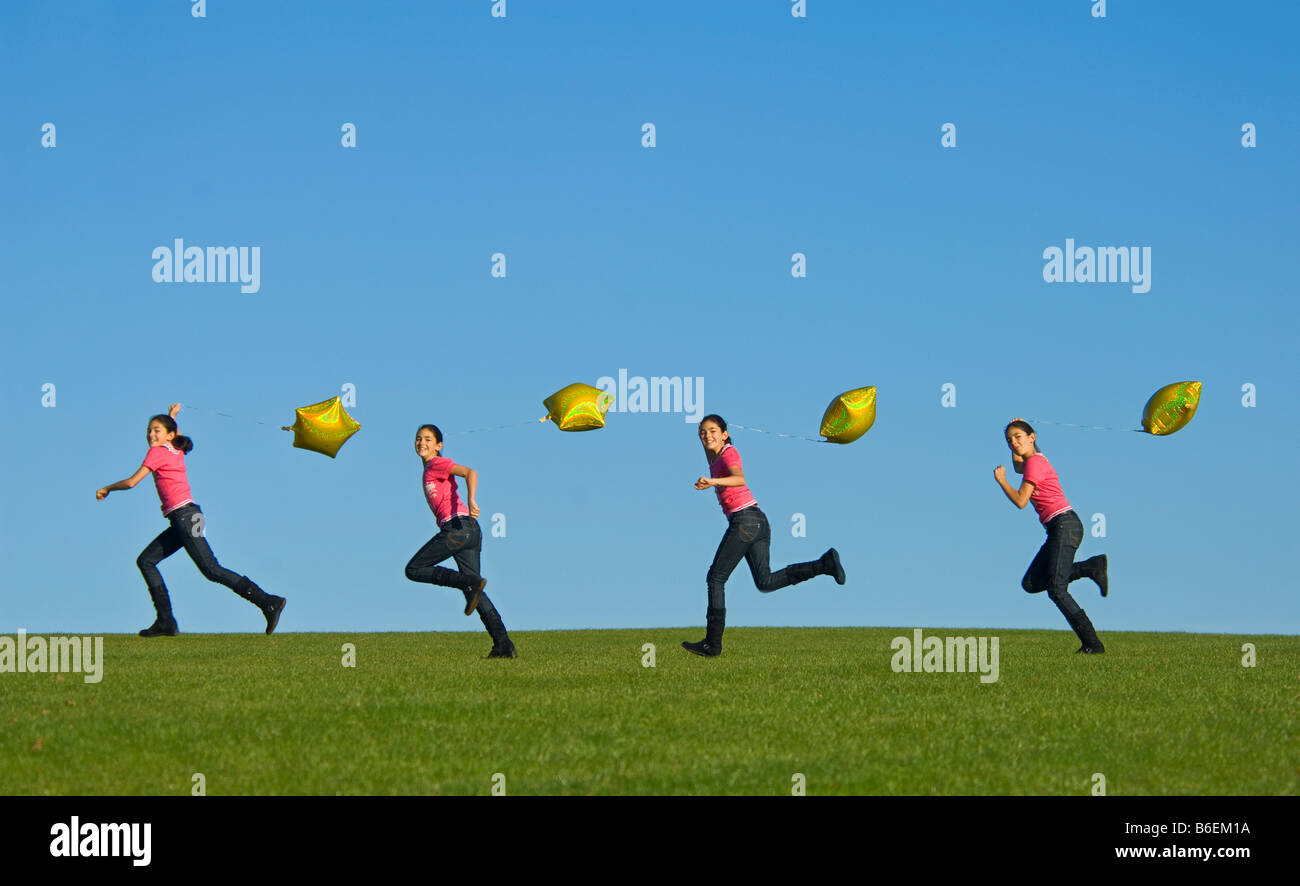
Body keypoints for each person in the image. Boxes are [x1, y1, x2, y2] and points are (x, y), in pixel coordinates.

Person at [96, 403, 286, 636]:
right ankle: (165, 621)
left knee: (211, 569)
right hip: (187, 517)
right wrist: (172, 417)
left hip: (184, 517)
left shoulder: (157, 452)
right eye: (149, 430)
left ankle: (268, 602)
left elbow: (132, 482)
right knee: (146, 561)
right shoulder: (176, 449)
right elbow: (172, 432)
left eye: (156, 430)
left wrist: (107, 488)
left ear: (169, 434)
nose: (151, 435)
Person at [683, 414, 846, 657]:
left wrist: (712, 481)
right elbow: (709, 446)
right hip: (758, 522)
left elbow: (739, 479)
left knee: (715, 578)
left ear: (725, 434)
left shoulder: (729, 453)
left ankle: (712, 644)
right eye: (703, 432)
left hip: (745, 522)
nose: (707, 435)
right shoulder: (714, 455)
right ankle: (824, 564)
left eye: (713, 431)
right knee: (765, 581)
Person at [994, 419, 1108, 653]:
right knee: (1031, 583)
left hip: (1065, 525)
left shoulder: (1035, 463)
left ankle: (1093, 645)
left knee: (1057, 590)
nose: (1014, 443)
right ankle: (1090, 567)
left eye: (1018, 437)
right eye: (1009, 440)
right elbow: (1018, 465)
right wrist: (1015, 435)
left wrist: (1002, 481)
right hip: (1060, 527)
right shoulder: (1035, 461)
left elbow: (1021, 501)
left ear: (1032, 437)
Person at [405, 424, 516, 658]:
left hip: (458, 528)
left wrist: (472, 500)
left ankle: (468, 581)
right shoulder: (428, 468)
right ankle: (504, 645)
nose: (421, 443)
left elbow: (469, 472)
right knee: (473, 591)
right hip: (470, 531)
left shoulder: (436, 464)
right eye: (418, 439)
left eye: (427, 439)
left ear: (438, 446)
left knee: (414, 569)